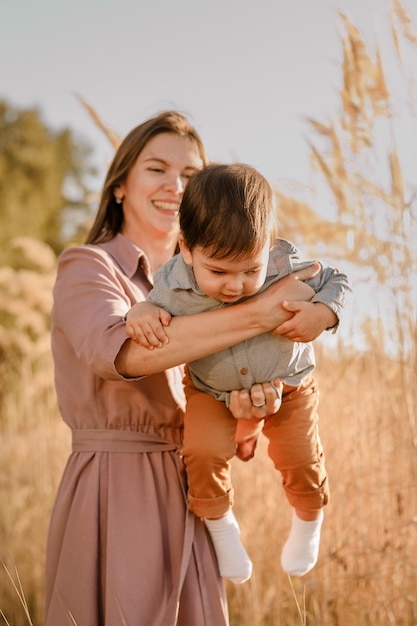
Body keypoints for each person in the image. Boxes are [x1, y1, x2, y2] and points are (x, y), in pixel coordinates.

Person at [45, 110, 329, 626]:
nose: (175, 185)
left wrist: (251, 412)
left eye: (192, 175)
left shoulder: (216, 287)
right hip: (116, 486)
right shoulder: (88, 266)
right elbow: (122, 354)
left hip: (194, 491)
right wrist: (263, 313)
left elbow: (225, 425)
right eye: (157, 169)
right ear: (119, 187)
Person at [125, 162, 351, 585]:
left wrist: (323, 313)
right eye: (219, 272)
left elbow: (337, 280)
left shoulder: (286, 262)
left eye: (251, 270)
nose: (236, 285)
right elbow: (151, 308)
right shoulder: (172, 282)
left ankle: (308, 520)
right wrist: (141, 311)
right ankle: (221, 525)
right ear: (187, 249)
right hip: (212, 390)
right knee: (202, 454)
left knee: (299, 456)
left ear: (267, 245)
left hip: (291, 382)